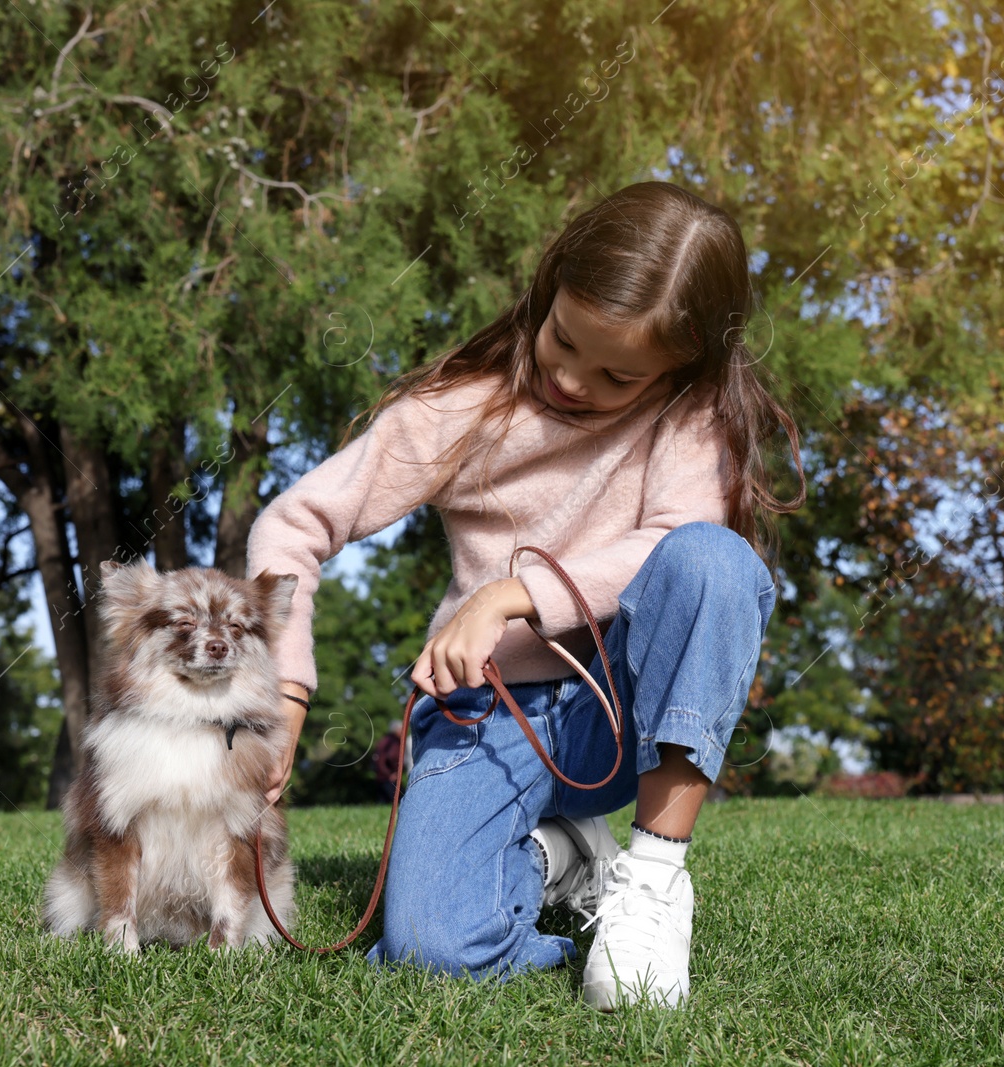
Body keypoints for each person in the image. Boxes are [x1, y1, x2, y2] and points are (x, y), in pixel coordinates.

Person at [246, 180, 805, 1009]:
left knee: (713, 560)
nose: (575, 381)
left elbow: (671, 548)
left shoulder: (691, 417)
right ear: (548, 291)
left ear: (683, 363)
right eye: (563, 340)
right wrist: (284, 686)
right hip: (484, 717)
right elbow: (293, 524)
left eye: (618, 373)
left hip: (615, 714)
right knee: (434, 952)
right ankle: (557, 857)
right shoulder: (459, 412)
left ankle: (650, 880)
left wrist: (515, 592)